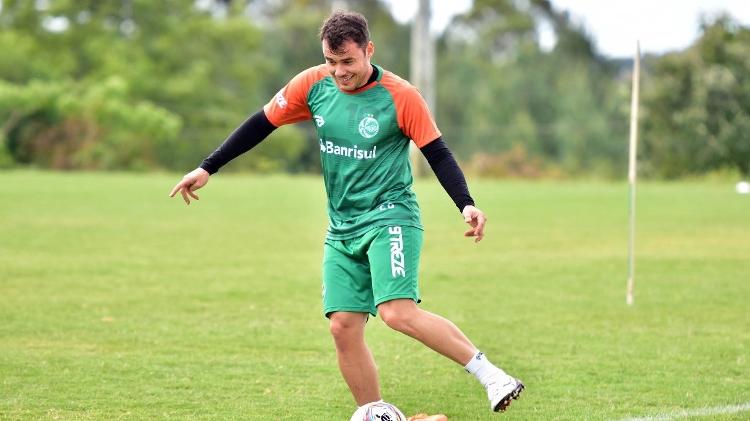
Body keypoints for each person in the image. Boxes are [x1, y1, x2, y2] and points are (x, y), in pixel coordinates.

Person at [169, 10, 524, 414]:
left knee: (396, 312)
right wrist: (207, 167)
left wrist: (466, 204)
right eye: (331, 61)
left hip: (390, 216)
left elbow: (437, 153)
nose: (339, 71)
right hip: (342, 227)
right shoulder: (313, 84)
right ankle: (373, 410)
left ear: (368, 50)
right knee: (342, 325)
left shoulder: (400, 95)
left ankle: (492, 376)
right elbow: (261, 123)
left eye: (348, 62)